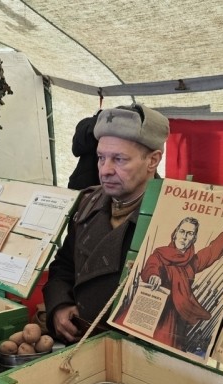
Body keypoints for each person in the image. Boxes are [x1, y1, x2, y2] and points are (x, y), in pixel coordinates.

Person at [43, 103, 169, 343]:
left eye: (119, 159)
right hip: (81, 342)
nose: (105, 170)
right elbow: (65, 265)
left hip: (134, 353)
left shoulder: (171, 216)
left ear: (152, 160)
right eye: (101, 158)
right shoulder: (88, 203)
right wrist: (60, 305)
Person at [137, 209, 223, 350]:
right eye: (182, 231)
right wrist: (153, 275)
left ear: (194, 238)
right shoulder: (160, 253)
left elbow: (213, 250)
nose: (185, 237)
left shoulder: (192, 262)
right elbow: (152, 265)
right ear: (175, 234)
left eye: (190, 233)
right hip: (153, 310)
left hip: (175, 318)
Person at [66, 110, 101, 190]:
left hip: (78, 181)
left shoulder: (84, 125)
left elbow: (76, 151)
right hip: (95, 184)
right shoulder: (105, 127)